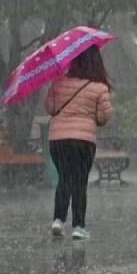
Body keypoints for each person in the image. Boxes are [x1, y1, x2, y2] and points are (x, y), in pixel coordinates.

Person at [45, 47, 114, 240]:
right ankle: (78, 225)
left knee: (64, 178)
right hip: (83, 141)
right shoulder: (99, 87)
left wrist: (55, 89)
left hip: (58, 140)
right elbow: (103, 117)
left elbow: (50, 108)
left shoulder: (58, 82)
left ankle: (58, 219)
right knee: (80, 182)